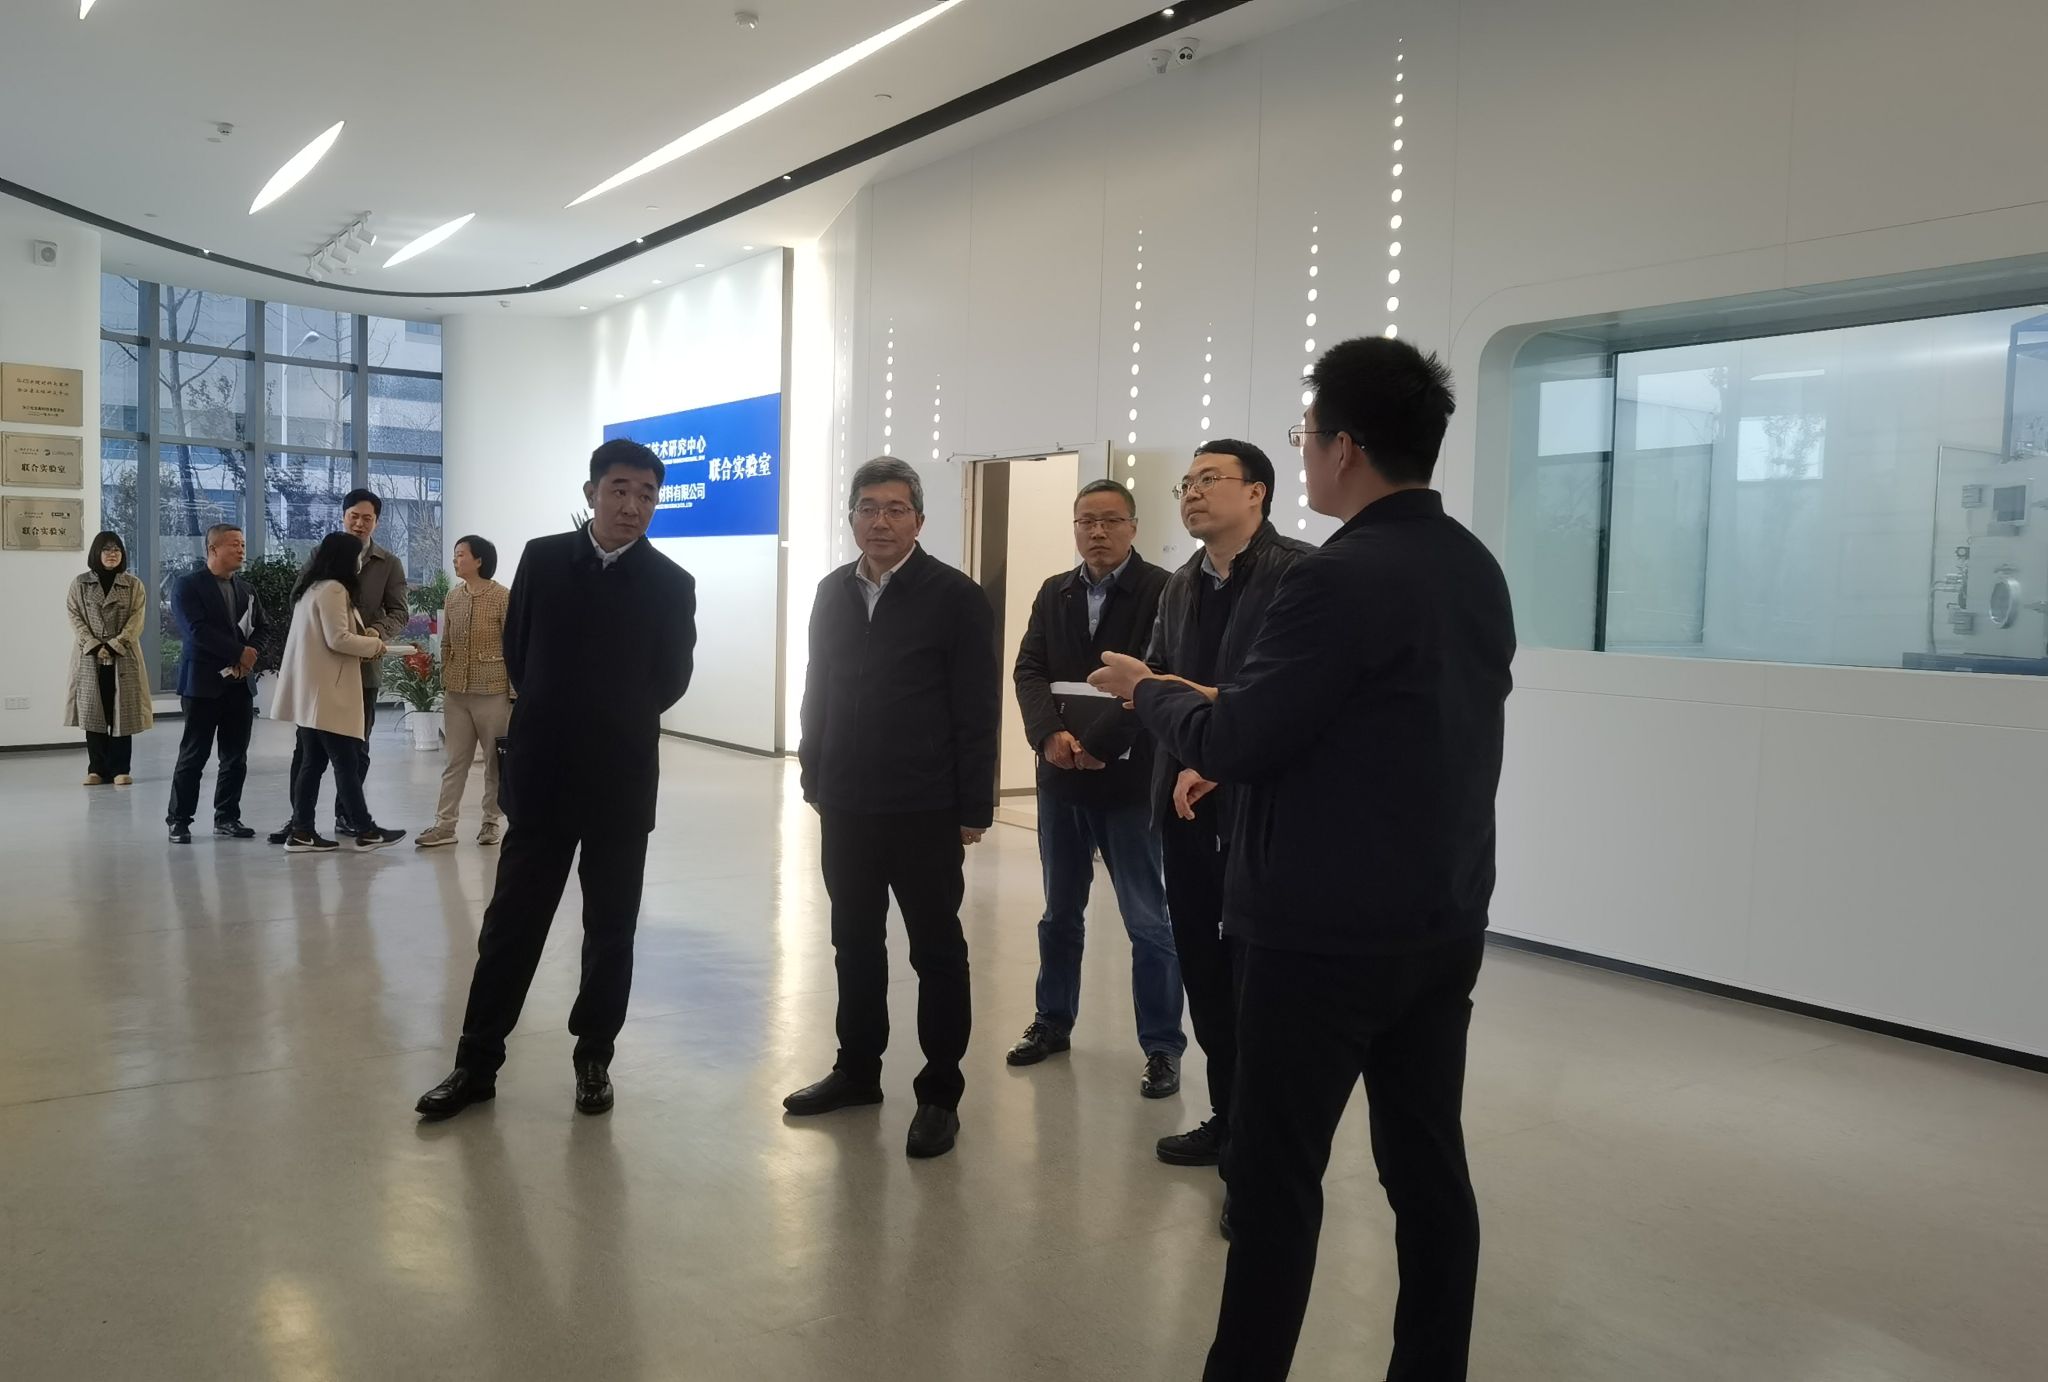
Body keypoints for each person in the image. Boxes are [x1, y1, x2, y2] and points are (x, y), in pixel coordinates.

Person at [1091, 337, 1516, 1382]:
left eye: (1307, 434)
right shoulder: (1471, 565)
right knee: (1428, 1170)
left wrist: (1147, 688)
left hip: (1318, 932)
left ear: (1345, 447)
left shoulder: (1334, 576)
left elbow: (1236, 739)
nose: (1305, 452)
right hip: (1441, 918)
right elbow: (1358, 722)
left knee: (1275, 1183)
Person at [416, 439, 697, 1121]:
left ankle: (593, 1055)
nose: (632, 505)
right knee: (511, 923)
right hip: (544, 774)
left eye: (647, 495)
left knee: (611, 929)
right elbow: (518, 652)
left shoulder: (671, 583)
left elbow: (671, 679)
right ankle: (476, 1062)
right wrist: (556, 714)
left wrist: (613, 716)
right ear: (592, 492)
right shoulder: (542, 560)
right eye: (620, 489)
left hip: (621, 780)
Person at [783, 456, 1000, 1160]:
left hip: (924, 806)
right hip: (846, 803)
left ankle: (939, 1093)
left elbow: (976, 708)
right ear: (851, 517)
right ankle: (857, 1070)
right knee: (854, 941)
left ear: (919, 520)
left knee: (936, 950)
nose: (880, 521)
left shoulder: (956, 597)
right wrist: (814, 771)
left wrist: (974, 804)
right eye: (868, 508)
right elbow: (818, 686)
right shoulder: (831, 592)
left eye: (896, 509)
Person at [1143, 441, 1313, 1176]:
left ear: (1258, 492)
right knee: (1205, 973)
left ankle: (1262, 1144)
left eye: (1210, 479)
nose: (1192, 492)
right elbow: (1159, 683)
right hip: (1184, 808)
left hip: (1260, 811)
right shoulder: (1181, 584)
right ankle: (1227, 1117)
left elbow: (1292, 700)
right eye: (1186, 482)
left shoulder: (1300, 575)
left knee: (1260, 984)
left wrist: (1219, 758)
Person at [1006, 478, 1185, 1097]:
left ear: (1133, 526)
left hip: (1129, 783)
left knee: (1148, 921)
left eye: (1111, 520)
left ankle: (1162, 1046)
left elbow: (1158, 677)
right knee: (1059, 913)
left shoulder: (1163, 590)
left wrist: (1098, 745)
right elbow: (1029, 669)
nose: (1098, 532)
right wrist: (1048, 736)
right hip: (1060, 779)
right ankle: (1052, 1021)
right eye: (1087, 521)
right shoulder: (1054, 591)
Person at [269, 489, 409, 844]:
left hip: (359, 674)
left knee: (350, 753)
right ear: (344, 516)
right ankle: (317, 824)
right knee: (318, 755)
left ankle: (337, 821)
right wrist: (371, 643)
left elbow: (399, 612)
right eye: (354, 516)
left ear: (376, 521)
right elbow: (334, 635)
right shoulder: (328, 568)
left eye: (367, 518)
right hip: (330, 676)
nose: (360, 523)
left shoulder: (389, 563)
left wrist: (376, 632)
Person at [164, 523, 270, 845]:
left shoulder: (246, 589)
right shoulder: (187, 586)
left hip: (239, 684)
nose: (241, 549)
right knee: (194, 755)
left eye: (242, 544)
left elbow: (263, 628)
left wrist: (249, 655)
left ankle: (227, 817)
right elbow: (196, 631)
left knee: (235, 756)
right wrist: (238, 653)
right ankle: (179, 820)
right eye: (234, 544)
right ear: (213, 549)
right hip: (202, 684)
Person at [417, 535, 513, 849]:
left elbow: (514, 645)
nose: (455, 560)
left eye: (461, 555)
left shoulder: (502, 597)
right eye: (455, 555)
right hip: (457, 693)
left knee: (494, 763)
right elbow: (446, 641)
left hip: (493, 691)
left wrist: (514, 693)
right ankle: (444, 826)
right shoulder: (453, 597)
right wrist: (446, 677)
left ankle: (490, 822)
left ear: (479, 560)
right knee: (455, 761)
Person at [65, 531, 152, 785]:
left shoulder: (133, 584)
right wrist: (93, 644)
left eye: (116, 550)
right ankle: (96, 769)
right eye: (106, 549)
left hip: (123, 655)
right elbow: (74, 616)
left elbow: (137, 619)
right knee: (94, 712)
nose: (112, 554)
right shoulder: (80, 583)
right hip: (89, 656)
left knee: (122, 712)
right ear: (96, 553)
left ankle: (120, 769)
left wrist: (116, 644)